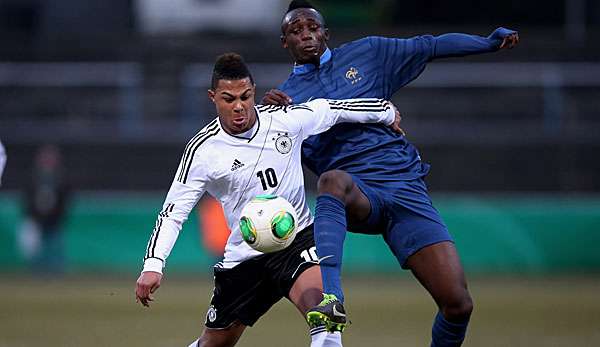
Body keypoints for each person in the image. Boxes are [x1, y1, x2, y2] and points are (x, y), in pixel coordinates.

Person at [261, 0, 520, 344]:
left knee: (458, 304)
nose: (306, 35)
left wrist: (486, 43)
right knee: (332, 181)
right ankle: (332, 299)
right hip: (357, 195)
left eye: (312, 27)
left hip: (404, 187)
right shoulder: (286, 102)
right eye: (296, 31)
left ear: (326, 33)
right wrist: (271, 121)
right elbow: (272, 160)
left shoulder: (368, 53)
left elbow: (429, 45)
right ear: (285, 42)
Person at [134, 52, 402, 347]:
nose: (239, 107)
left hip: (296, 240)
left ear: (254, 92)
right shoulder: (203, 151)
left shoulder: (284, 120)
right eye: (228, 99)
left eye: (245, 96)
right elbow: (173, 212)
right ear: (213, 97)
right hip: (245, 257)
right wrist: (154, 264)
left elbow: (332, 110)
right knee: (214, 343)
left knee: (326, 317)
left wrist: (385, 111)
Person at [23, 144, 70, 273]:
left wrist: (59, 215)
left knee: (54, 246)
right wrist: (33, 215)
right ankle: (37, 271)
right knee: (36, 248)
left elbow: (65, 198)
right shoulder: (34, 176)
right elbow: (27, 197)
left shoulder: (60, 177)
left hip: (54, 220)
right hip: (37, 219)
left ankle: (56, 271)